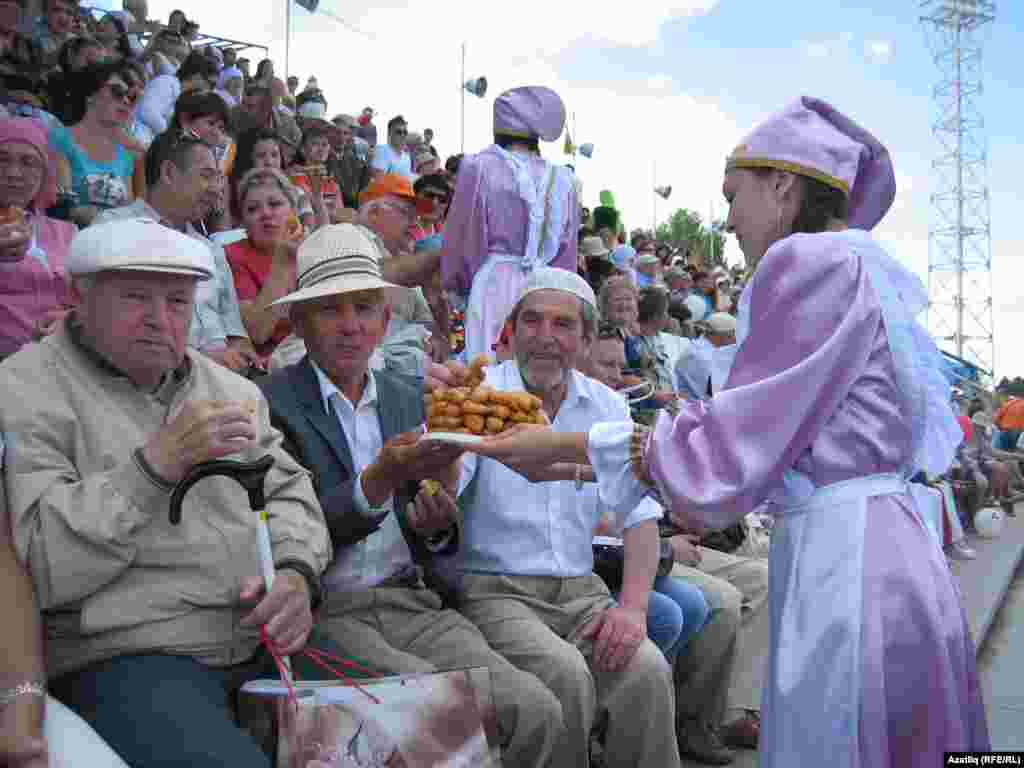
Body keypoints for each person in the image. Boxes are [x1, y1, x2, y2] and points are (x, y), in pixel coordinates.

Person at [453, 97, 990, 767]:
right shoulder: (853, 265)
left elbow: (725, 450)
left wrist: (565, 447)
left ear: (784, 186)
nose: (728, 217)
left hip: (850, 564)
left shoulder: (808, 265)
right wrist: (581, 457)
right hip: (883, 547)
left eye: (734, 195)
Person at [0, 219, 335, 767]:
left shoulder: (229, 388)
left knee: (414, 738)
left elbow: (291, 493)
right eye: (137, 299)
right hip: (127, 654)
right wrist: (154, 466)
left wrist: (297, 573)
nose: (160, 321)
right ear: (77, 297)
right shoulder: (24, 388)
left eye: (178, 303)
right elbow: (41, 567)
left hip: (259, 642)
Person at [258, 225, 566, 766]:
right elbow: (285, 530)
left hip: (411, 599)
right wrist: (379, 477)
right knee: (445, 718)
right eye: (330, 310)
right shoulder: (272, 404)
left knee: (536, 708)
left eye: (364, 308)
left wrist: (437, 522)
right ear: (300, 323)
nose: (350, 326)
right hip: (330, 611)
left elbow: (435, 530)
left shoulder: (408, 395)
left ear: (384, 320)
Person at [446, 267, 682, 767]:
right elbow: (445, 491)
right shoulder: (478, 394)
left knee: (647, 671)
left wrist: (633, 609)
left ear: (587, 339)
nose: (545, 338)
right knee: (565, 675)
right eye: (531, 322)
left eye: (562, 325)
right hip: (496, 592)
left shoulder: (606, 404)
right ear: (511, 329)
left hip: (580, 592)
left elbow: (638, 512)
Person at [96, 130, 257, 374]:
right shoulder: (112, 229)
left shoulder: (210, 248)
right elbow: (106, 329)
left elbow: (237, 335)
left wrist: (245, 357)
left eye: (218, 179)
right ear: (169, 173)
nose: (216, 190)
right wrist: (200, 363)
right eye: (206, 176)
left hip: (223, 379)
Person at [440, 86, 579, 360]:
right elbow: (567, 255)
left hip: (494, 283)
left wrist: (458, 285)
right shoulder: (565, 179)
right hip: (546, 285)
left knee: (490, 369)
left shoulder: (478, 167)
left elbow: (466, 236)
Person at [0, 117, 75, 360]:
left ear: (44, 174)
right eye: (2, 159)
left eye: (28, 162)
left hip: (60, 361)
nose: (13, 173)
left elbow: (90, 299)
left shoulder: (66, 232)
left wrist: (70, 317)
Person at [50, 59, 138, 226]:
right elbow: (63, 208)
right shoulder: (60, 139)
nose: (126, 101)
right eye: (117, 92)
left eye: (130, 97)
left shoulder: (125, 155)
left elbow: (129, 211)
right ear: (90, 95)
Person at [133, 50, 218, 147]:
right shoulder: (166, 82)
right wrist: (172, 131)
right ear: (197, 76)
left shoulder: (181, 95)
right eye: (211, 84)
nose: (211, 90)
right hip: (135, 139)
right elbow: (146, 111)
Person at [676, 312, 737, 401]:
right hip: (694, 409)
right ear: (725, 335)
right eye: (734, 335)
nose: (735, 339)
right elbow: (712, 396)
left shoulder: (708, 350)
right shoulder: (697, 355)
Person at [369, 114, 413, 180]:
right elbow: (379, 180)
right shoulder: (381, 151)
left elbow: (407, 181)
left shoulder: (407, 157)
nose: (403, 135)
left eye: (405, 132)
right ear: (389, 133)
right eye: (399, 132)